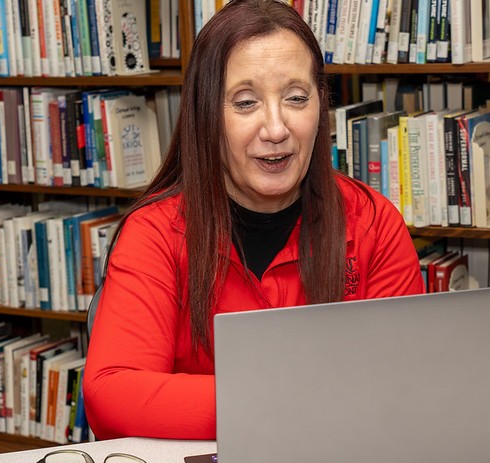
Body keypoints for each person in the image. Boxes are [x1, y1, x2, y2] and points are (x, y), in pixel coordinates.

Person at [82, 0, 424, 440]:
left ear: (321, 107)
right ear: (207, 115)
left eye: (296, 98)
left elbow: (405, 385)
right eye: (246, 103)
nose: (276, 128)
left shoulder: (373, 223)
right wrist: (282, 403)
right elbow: (112, 394)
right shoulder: (155, 233)